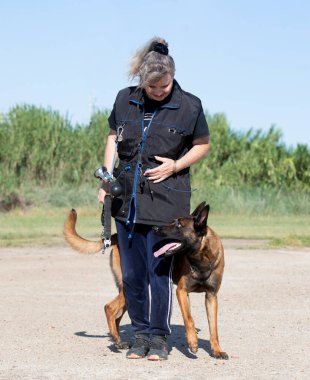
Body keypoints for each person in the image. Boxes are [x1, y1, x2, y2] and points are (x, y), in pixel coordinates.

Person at [98, 37, 210, 361]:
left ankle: (159, 338)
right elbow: (111, 137)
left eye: (165, 85)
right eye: (153, 86)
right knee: (132, 275)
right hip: (125, 202)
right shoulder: (124, 100)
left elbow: (202, 145)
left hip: (166, 205)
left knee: (158, 274)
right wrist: (106, 179)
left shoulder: (190, 105)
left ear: (173, 76)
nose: (160, 91)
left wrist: (176, 164)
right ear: (142, 80)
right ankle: (140, 334)